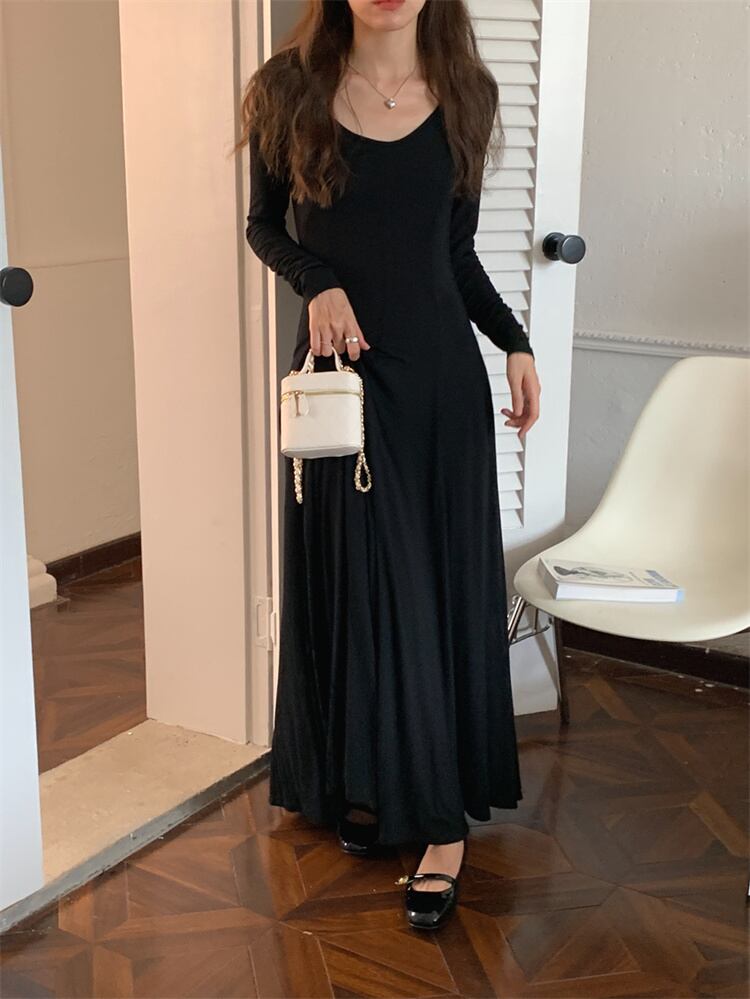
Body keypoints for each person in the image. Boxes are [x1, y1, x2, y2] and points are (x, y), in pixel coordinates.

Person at [240, 0, 541, 930]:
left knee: (426, 593)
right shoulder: (285, 89)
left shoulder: (468, 93)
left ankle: (440, 823)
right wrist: (317, 280)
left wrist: (515, 340)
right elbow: (263, 225)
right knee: (355, 585)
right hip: (340, 385)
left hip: (441, 387)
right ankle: (364, 778)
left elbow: (454, 253)